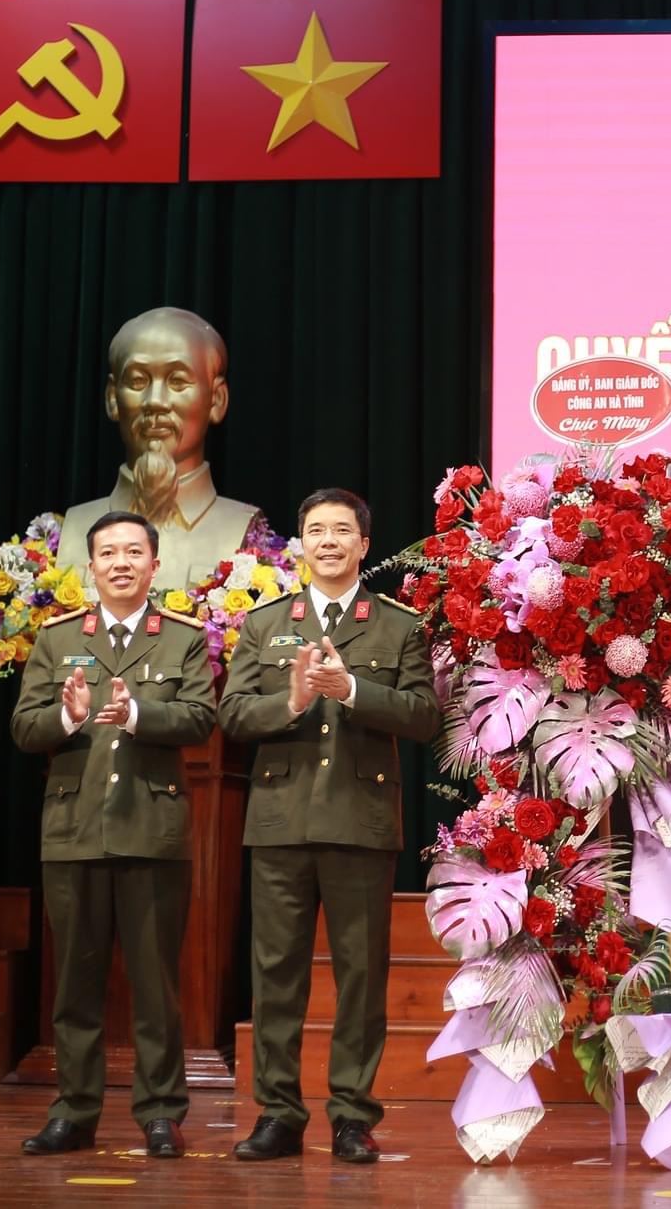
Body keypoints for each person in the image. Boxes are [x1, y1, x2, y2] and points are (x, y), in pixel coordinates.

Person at [220, 488, 439, 1165]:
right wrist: (289, 701)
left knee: (361, 977)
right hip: (280, 822)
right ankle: (278, 1114)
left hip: (359, 822)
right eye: (316, 530)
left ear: (364, 545)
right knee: (275, 976)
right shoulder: (265, 623)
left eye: (342, 530)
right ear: (302, 543)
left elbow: (425, 716)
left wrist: (354, 692)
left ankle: (352, 1115)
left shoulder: (398, 625)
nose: (329, 541)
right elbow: (232, 714)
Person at [11, 510, 218, 1158]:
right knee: (75, 986)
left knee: (156, 985)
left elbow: (201, 716)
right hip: (73, 830)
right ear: (91, 566)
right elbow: (23, 728)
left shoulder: (181, 637)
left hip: (152, 831)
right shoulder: (57, 638)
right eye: (108, 553)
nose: (121, 563)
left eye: (133, 552)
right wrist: (67, 718)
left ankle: (160, 1112)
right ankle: (74, 1112)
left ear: (154, 564)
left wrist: (138, 714)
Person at [55, 307, 260, 589]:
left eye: (177, 381)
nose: (155, 401)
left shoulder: (241, 530)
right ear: (112, 398)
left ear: (216, 399)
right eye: (138, 381)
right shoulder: (75, 526)